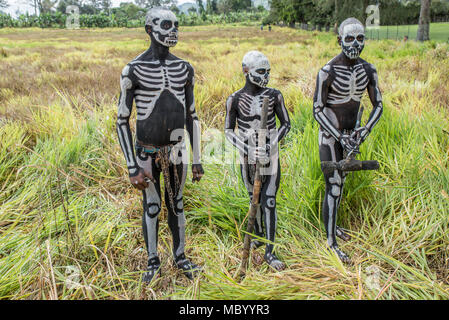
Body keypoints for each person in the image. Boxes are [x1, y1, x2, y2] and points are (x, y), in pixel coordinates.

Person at [116, 7, 204, 282]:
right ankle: (152, 262)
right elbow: (121, 120)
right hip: (146, 152)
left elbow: (192, 116)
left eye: (176, 25)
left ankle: (181, 257)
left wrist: (198, 157)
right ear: (149, 30)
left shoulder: (185, 68)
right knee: (152, 206)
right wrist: (132, 166)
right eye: (166, 25)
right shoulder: (133, 70)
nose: (174, 30)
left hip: (177, 151)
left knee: (177, 204)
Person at [312, 18, 383, 263]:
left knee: (340, 182)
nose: (355, 43)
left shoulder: (369, 70)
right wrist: (339, 134)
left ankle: (333, 228)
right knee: (333, 183)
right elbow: (317, 110)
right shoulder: (327, 71)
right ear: (339, 39)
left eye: (360, 38)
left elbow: (378, 105)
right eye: (349, 38)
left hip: (352, 136)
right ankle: (330, 243)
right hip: (330, 136)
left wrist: (364, 130)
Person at [224, 51, 291, 270]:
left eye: (268, 72)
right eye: (261, 72)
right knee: (254, 199)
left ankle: (270, 252)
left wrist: (271, 146)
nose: (266, 76)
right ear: (246, 71)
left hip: (270, 156)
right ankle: (260, 234)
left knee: (269, 199)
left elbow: (286, 124)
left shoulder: (274, 95)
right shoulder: (234, 99)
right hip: (247, 157)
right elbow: (228, 131)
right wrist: (248, 150)